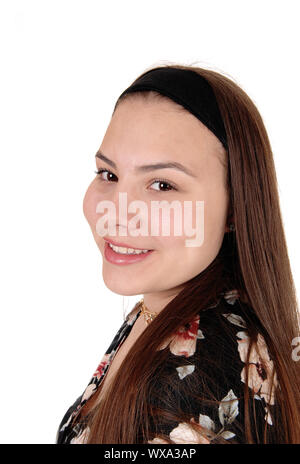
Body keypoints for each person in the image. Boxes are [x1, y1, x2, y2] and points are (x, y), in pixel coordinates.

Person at [56, 64, 300, 444]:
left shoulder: (193, 385)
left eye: (162, 184)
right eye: (108, 174)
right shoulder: (169, 307)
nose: (118, 215)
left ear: (234, 208)